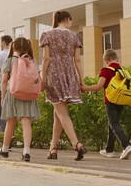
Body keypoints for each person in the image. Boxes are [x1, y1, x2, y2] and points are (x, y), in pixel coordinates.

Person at [40, 10, 87, 161]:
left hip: (54, 75)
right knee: (59, 112)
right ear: (67, 20)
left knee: (60, 111)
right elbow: (78, 61)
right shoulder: (75, 36)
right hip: (69, 75)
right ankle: (53, 149)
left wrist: (43, 77)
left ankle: (76, 143)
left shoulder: (47, 35)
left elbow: (46, 58)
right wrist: (82, 79)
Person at [81, 49, 131, 160]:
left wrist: (84, 88)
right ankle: (109, 150)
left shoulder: (106, 70)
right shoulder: (122, 70)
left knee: (114, 124)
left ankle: (126, 146)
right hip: (122, 100)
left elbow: (98, 86)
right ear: (116, 58)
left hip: (111, 101)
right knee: (113, 124)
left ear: (106, 60)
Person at [0, 37, 41, 162]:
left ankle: (4, 149)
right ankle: (26, 151)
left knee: (10, 122)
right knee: (26, 122)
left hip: (13, 93)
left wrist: (3, 97)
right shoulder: (31, 61)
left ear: (13, 47)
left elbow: (4, 80)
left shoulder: (9, 60)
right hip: (28, 94)